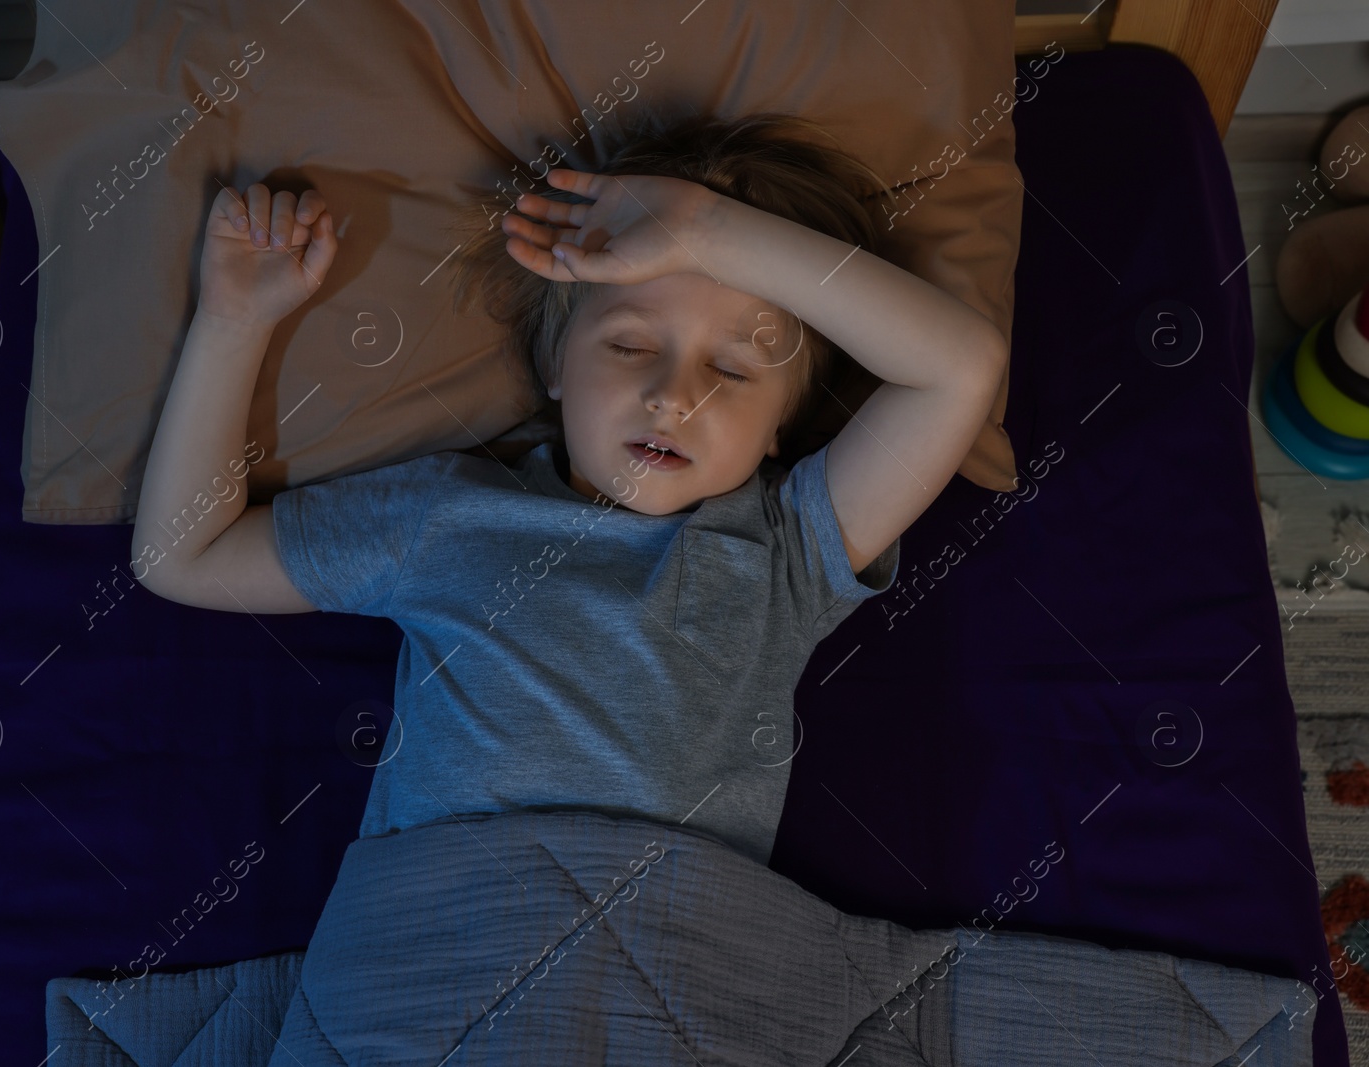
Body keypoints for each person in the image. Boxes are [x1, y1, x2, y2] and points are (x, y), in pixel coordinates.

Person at [130, 110, 1007, 866]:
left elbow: (960, 370)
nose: (673, 395)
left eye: (735, 370)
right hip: (445, 935)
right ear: (555, 364)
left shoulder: (790, 545)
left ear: (785, 424)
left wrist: (703, 228)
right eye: (628, 345)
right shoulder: (442, 515)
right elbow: (183, 557)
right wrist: (234, 321)